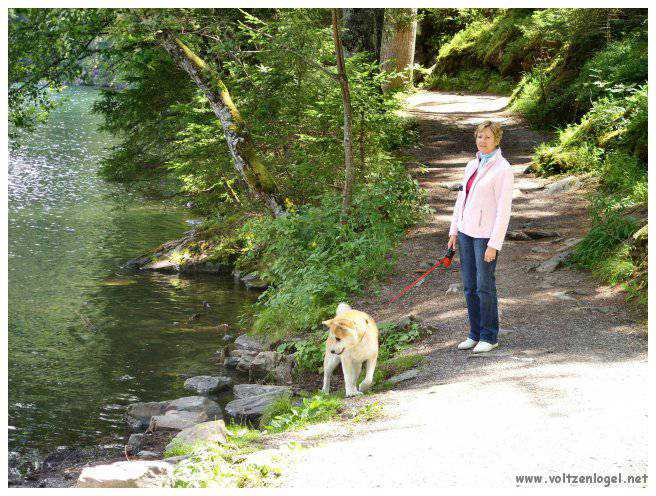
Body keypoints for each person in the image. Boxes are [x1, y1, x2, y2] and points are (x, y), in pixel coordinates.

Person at [446, 120, 514, 353]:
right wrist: (454, 231)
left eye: (487, 137)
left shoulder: (503, 169)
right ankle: (474, 334)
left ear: (496, 140)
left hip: (485, 237)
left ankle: (489, 336)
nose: (482, 141)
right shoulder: (470, 165)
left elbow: (503, 211)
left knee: (485, 287)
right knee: (469, 287)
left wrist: (494, 244)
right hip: (465, 233)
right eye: (479, 137)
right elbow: (461, 201)